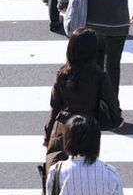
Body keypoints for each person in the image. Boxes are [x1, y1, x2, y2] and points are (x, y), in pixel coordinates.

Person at [44, 27, 123, 173]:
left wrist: (48, 135)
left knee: (57, 171)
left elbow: (54, 106)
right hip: (89, 128)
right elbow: (112, 103)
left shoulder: (62, 74)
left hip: (63, 128)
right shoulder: (99, 76)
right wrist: (117, 118)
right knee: (86, 170)